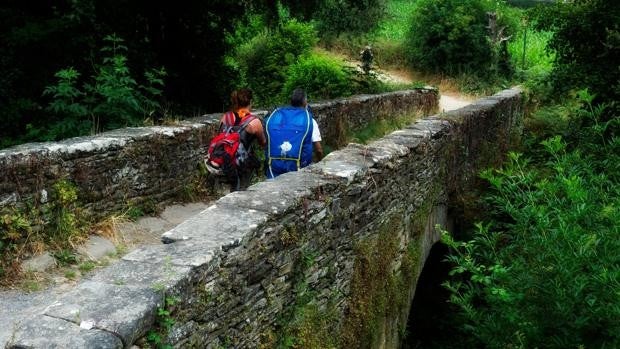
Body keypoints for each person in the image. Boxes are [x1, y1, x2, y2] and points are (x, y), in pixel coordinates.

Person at [265, 88, 323, 179]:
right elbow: (318, 149)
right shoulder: (309, 120)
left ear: (291, 102)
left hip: (274, 167)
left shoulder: (277, 118)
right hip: (299, 168)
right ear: (305, 102)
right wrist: (319, 163)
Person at [216, 88, 266, 190]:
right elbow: (263, 142)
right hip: (242, 163)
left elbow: (220, 135)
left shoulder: (226, 117)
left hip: (224, 159)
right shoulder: (254, 121)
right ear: (250, 102)